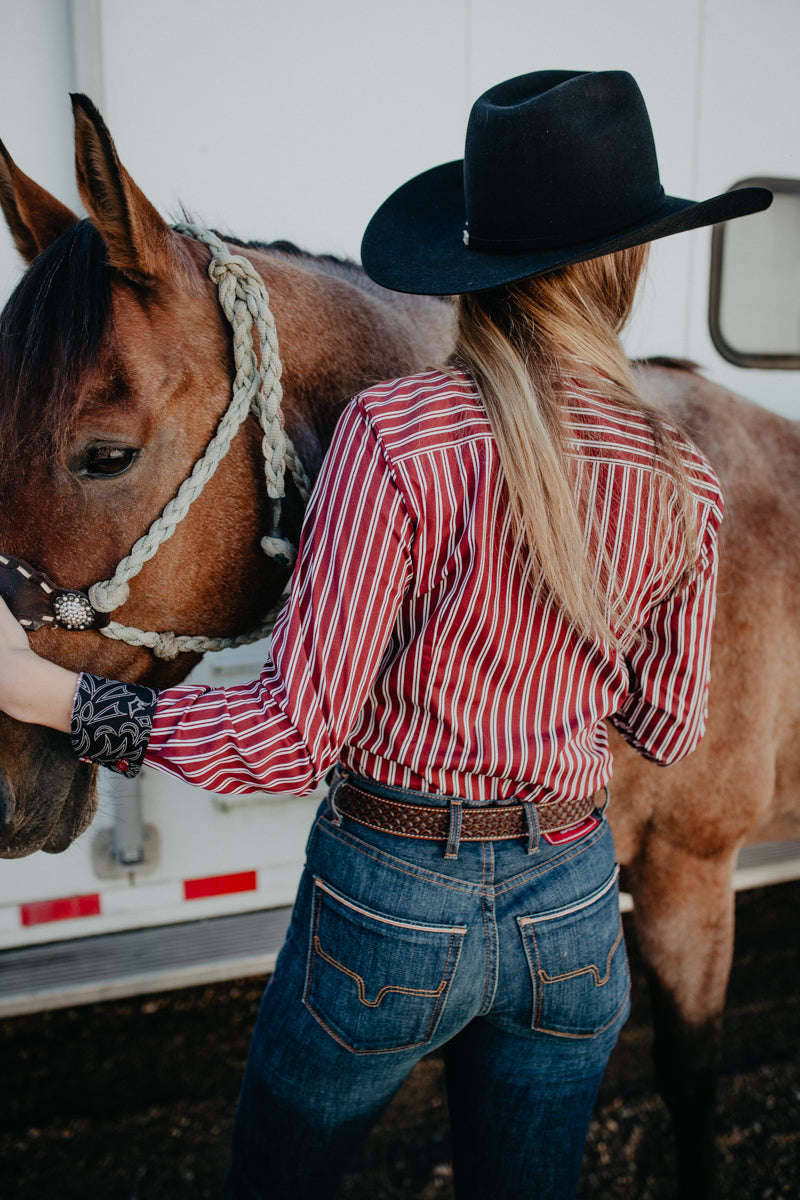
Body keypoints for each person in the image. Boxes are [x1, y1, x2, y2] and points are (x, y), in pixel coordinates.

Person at [0, 70, 771, 1199]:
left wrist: (55, 698)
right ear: (628, 259)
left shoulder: (393, 436)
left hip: (392, 902)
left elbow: (284, 744)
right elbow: (663, 722)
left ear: (473, 256)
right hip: (568, 902)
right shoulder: (681, 473)